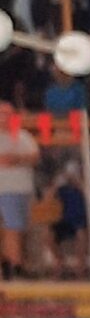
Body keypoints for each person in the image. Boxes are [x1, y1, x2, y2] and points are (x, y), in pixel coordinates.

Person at [0, 109, 37, 277]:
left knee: (16, 228)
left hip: (18, 189)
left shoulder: (23, 137)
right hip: (5, 188)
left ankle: (15, 265)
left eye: (6, 114)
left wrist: (16, 159)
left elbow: (34, 156)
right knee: (10, 228)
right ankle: (11, 266)